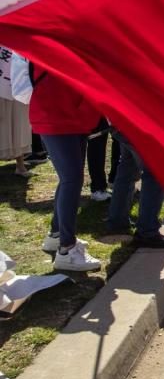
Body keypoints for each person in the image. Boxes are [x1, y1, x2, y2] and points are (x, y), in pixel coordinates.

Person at [33, 63, 103, 271]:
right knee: (72, 180)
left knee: (69, 180)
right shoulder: (49, 45)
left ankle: (56, 235)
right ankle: (67, 249)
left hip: (71, 118)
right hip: (57, 117)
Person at [105, 130, 164, 248]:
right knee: (155, 173)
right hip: (137, 125)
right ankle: (147, 231)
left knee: (128, 169)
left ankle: (117, 221)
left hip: (120, 124)